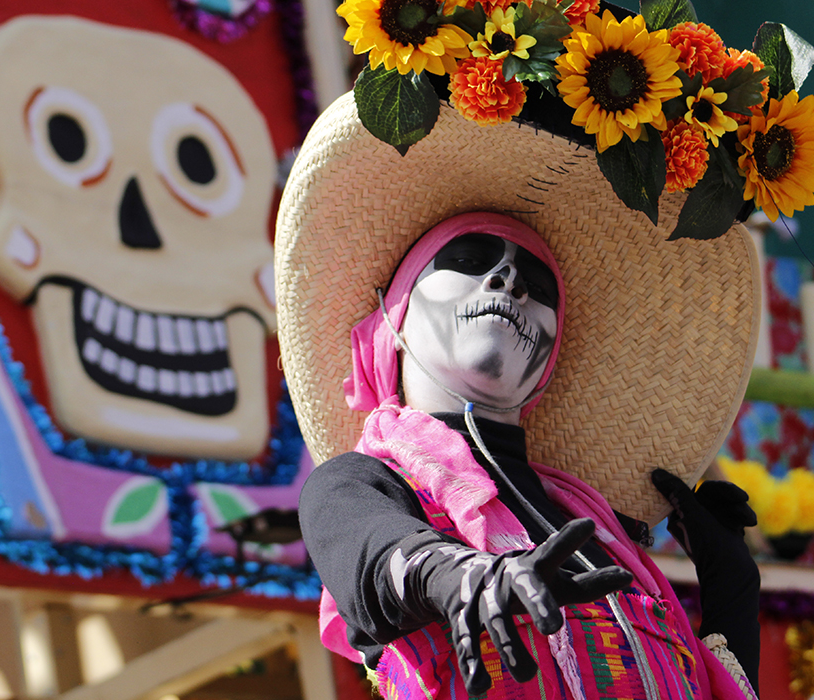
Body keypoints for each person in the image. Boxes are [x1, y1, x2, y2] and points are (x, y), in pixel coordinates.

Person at [276, 75, 765, 699]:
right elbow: (376, 565)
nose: (508, 281)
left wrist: (732, 593)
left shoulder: (603, 537)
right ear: (392, 313)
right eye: (469, 259)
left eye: (536, 280)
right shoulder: (364, 488)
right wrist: (459, 578)